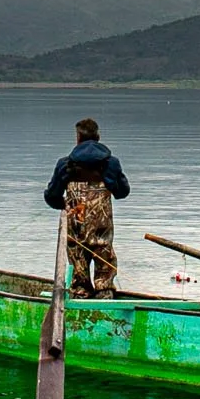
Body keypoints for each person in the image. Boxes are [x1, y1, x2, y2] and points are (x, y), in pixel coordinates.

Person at [43, 116, 130, 298]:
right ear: (97, 137)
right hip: (102, 229)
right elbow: (122, 192)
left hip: (76, 227)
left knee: (78, 262)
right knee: (104, 259)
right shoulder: (110, 164)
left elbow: (52, 196)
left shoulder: (65, 165)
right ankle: (104, 293)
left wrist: (63, 204)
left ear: (78, 138)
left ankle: (81, 295)